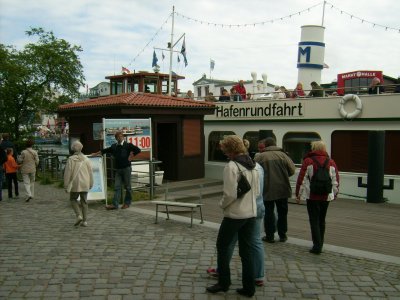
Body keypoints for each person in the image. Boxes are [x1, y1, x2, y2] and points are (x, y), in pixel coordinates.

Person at [206, 139, 265, 287]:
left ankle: (224, 283)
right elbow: (257, 191)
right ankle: (248, 287)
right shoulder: (255, 165)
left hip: (236, 214)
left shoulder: (232, 166)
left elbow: (230, 194)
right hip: (251, 212)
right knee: (247, 251)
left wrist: (222, 205)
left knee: (223, 246)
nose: (224, 152)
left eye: (225, 149)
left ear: (230, 150)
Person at [295, 140, 339, 254]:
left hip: (312, 195)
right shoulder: (331, 162)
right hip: (326, 195)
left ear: (313, 148)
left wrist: (298, 195)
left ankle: (317, 246)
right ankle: (321, 243)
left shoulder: (308, 161)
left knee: (314, 220)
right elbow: (335, 180)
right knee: (322, 220)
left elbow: (302, 179)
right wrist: (334, 194)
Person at [254, 137, 295, 243]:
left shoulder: (260, 157)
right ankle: (283, 235)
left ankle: (270, 236)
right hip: (283, 188)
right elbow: (292, 170)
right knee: (282, 212)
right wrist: (284, 176)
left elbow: (254, 172)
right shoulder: (283, 155)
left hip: (267, 188)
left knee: (268, 212)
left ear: (266, 145)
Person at [92, 131, 141, 210]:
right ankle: (115, 204)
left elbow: (138, 150)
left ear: (123, 137)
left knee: (128, 187)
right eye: (118, 137)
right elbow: (105, 150)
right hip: (118, 169)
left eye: (121, 136)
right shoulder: (114, 146)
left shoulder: (128, 145)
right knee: (117, 187)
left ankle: (127, 203)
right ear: (116, 138)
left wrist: (132, 156)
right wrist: (96, 153)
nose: (120, 138)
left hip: (126, 169)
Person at [64, 141, 94, 227]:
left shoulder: (71, 159)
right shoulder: (86, 159)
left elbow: (67, 173)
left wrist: (66, 185)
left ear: (73, 148)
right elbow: (90, 172)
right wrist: (91, 183)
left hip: (75, 183)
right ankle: (85, 221)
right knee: (84, 201)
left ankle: (78, 215)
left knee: (73, 199)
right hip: (85, 182)